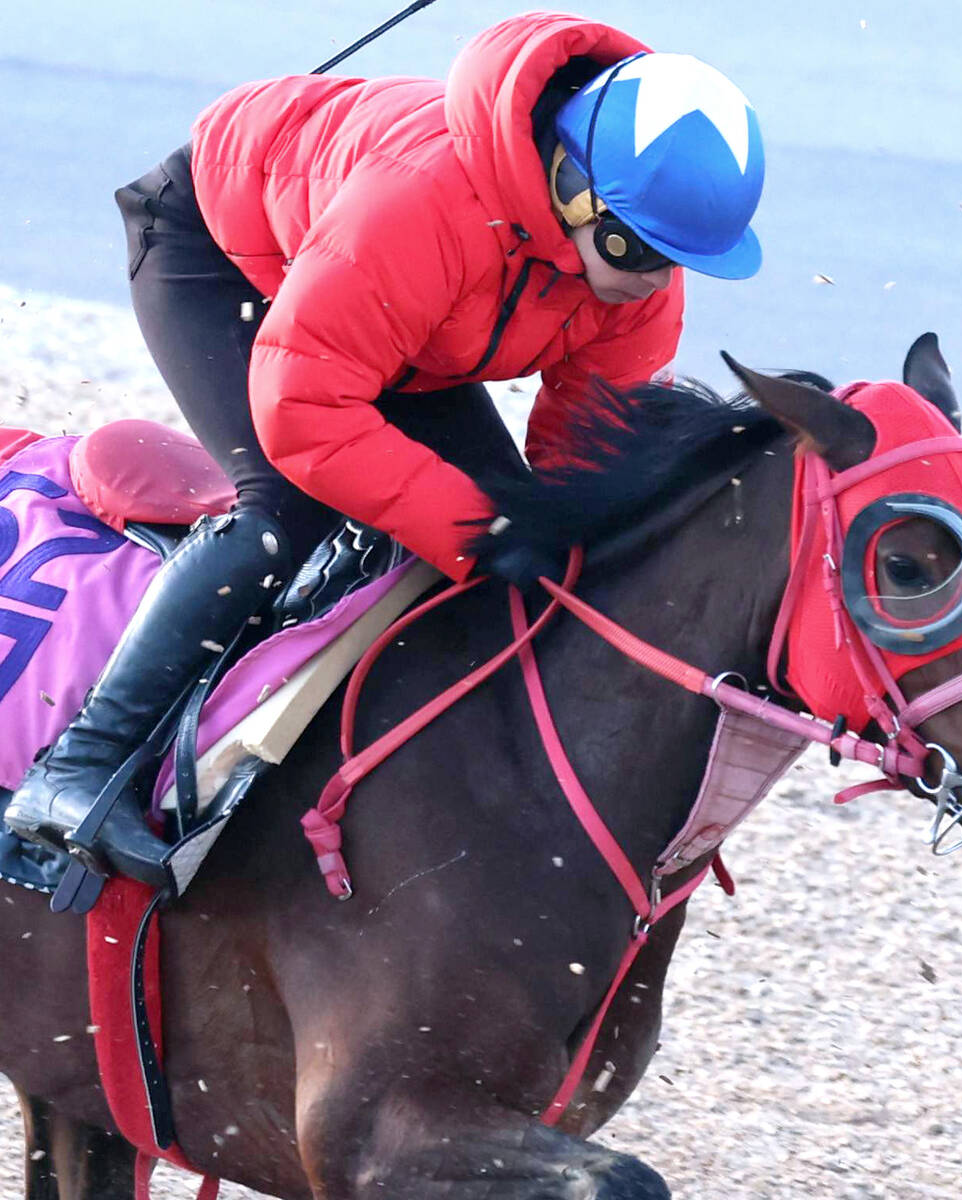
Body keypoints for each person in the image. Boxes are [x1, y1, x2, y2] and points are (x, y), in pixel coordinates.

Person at [3, 11, 766, 888]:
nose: (650, 282)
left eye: (677, 263)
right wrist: (478, 528)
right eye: (635, 249)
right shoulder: (422, 198)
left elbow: (580, 465)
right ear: (571, 184)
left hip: (399, 318)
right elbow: (300, 407)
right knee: (283, 510)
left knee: (522, 538)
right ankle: (76, 770)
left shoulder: (635, 282)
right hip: (222, 255)